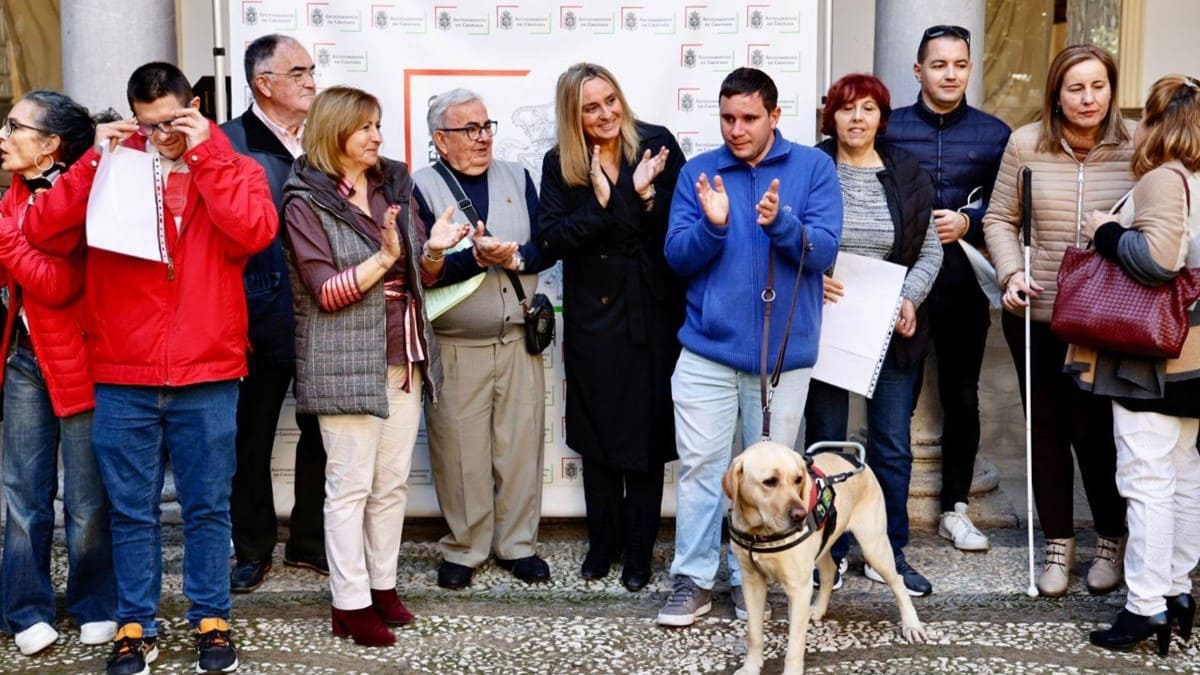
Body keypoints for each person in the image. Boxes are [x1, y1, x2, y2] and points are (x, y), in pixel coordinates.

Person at [21, 62, 278, 675]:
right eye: (149, 125)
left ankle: (212, 618)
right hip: (123, 370)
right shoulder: (112, 168)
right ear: (133, 117)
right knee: (131, 511)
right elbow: (43, 232)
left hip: (208, 370)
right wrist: (92, 162)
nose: (162, 136)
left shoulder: (235, 165)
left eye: (173, 122)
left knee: (208, 507)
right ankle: (136, 622)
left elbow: (254, 233)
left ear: (194, 108)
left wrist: (205, 153)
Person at [281, 86, 469, 647]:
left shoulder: (394, 184)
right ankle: (350, 602)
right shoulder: (303, 201)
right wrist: (386, 257)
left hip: (402, 352)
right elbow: (325, 292)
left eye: (378, 125)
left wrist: (432, 251)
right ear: (334, 131)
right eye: (365, 127)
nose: (377, 136)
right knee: (349, 488)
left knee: (390, 485)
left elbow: (423, 276)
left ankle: (382, 586)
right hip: (344, 358)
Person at [660, 67, 842, 626]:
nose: (736, 129)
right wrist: (714, 227)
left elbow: (824, 250)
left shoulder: (813, 168)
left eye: (748, 118)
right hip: (707, 352)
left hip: (782, 359)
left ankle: (752, 578)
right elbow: (676, 257)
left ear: (774, 116)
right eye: (727, 118)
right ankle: (693, 579)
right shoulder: (699, 171)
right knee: (701, 469)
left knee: (773, 480)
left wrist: (780, 223)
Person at [983, 44, 1134, 598]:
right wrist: (1009, 273)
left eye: (1098, 86)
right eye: (1076, 88)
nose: (1088, 98)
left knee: (1097, 434)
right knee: (1045, 432)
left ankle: (1111, 541)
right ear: (1056, 94)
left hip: (1107, 317)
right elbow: (1000, 219)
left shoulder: (1137, 144)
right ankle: (1057, 545)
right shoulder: (1025, 143)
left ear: (1111, 89)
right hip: (1039, 311)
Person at [539, 63, 686, 592]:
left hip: (651, 310)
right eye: (590, 108)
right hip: (593, 315)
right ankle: (603, 543)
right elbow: (552, 239)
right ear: (572, 116)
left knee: (644, 435)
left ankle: (640, 550)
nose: (605, 114)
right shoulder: (559, 162)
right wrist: (608, 202)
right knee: (598, 434)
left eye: (610, 100)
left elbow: (677, 227)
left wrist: (641, 197)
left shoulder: (657, 143)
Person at [1074, 75, 1200, 655]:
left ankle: (1145, 606)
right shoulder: (1195, 177)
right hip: (1190, 351)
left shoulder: (1164, 178)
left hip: (1152, 356)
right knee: (1181, 472)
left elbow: (1159, 260)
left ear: (1158, 121)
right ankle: (1176, 590)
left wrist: (1105, 232)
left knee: (1146, 479)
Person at [806, 73, 941, 597]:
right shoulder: (812, 167)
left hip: (890, 326)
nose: (857, 118)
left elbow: (930, 250)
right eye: (847, 108)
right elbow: (788, 238)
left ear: (882, 116)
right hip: (827, 326)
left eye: (868, 108)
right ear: (832, 116)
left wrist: (909, 297)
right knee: (826, 441)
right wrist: (808, 275)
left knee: (891, 446)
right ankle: (829, 550)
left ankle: (888, 551)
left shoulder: (906, 171)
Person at [413, 88, 552, 590]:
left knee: (519, 449)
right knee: (460, 454)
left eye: (486, 126)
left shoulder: (518, 176)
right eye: (468, 129)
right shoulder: (420, 187)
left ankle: (518, 545)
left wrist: (513, 257)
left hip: (517, 341)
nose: (482, 137)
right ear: (440, 139)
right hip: (455, 345)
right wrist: (474, 259)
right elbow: (421, 271)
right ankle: (465, 548)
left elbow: (546, 246)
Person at [884, 24, 1011, 552]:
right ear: (918, 71)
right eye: (939, 65)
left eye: (960, 65)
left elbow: (1008, 205)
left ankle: (955, 509)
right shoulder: (888, 127)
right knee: (897, 396)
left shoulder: (994, 134)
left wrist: (969, 220)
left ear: (970, 69)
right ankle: (886, 515)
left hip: (963, 283)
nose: (950, 74)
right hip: (901, 283)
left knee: (962, 394)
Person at [0, 91, 116, 656]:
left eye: (13, 126)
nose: (2, 136)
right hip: (25, 357)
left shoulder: (88, 194)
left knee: (87, 497)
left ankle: (95, 603)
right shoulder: (13, 196)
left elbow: (58, 283)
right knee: (23, 494)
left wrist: (6, 241)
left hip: (80, 358)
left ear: (49, 145)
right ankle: (24, 608)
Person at [222, 34, 330, 594]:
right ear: (264, 83)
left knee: (324, 433)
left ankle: (310, 542)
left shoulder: (326, 138)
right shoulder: (228, 143)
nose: (311, 80)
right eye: (299, 72)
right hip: (254, 315)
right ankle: (252, 549)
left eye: (312, 70)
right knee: (249, 439)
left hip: (327, 312)